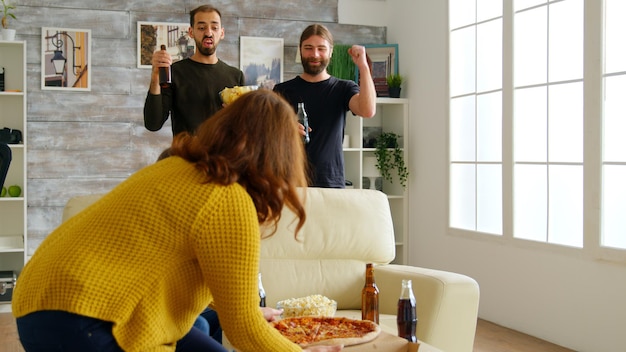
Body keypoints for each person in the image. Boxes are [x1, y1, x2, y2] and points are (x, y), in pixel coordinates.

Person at [12, 90, 341, 352]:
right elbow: (244, 330)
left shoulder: (174, 168)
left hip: (38, 300)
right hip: (85, 318)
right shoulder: (227, 198)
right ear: (282, 154)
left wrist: (248, 313)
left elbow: (175, 264)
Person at [273, 24, 376, 188]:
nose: (315, 54)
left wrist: (363, 66)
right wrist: (285, 127)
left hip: (331, 183)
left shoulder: (344, 88)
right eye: (308, 48)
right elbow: (268, 136)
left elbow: (367, 110)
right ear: (300, 50)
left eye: (321, 48)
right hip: (290, 182)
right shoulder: (282, 90)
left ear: (330, 51)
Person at [144, 5, 244, 136]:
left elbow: (244, 131)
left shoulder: (236, 76)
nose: (208, 33)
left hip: (224, 156)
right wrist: (155, 78)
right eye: (202, 28)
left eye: (214, 28)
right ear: (191, 32)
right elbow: (153, 124)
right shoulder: (175, 72)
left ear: (222, 33)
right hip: (186, 155)